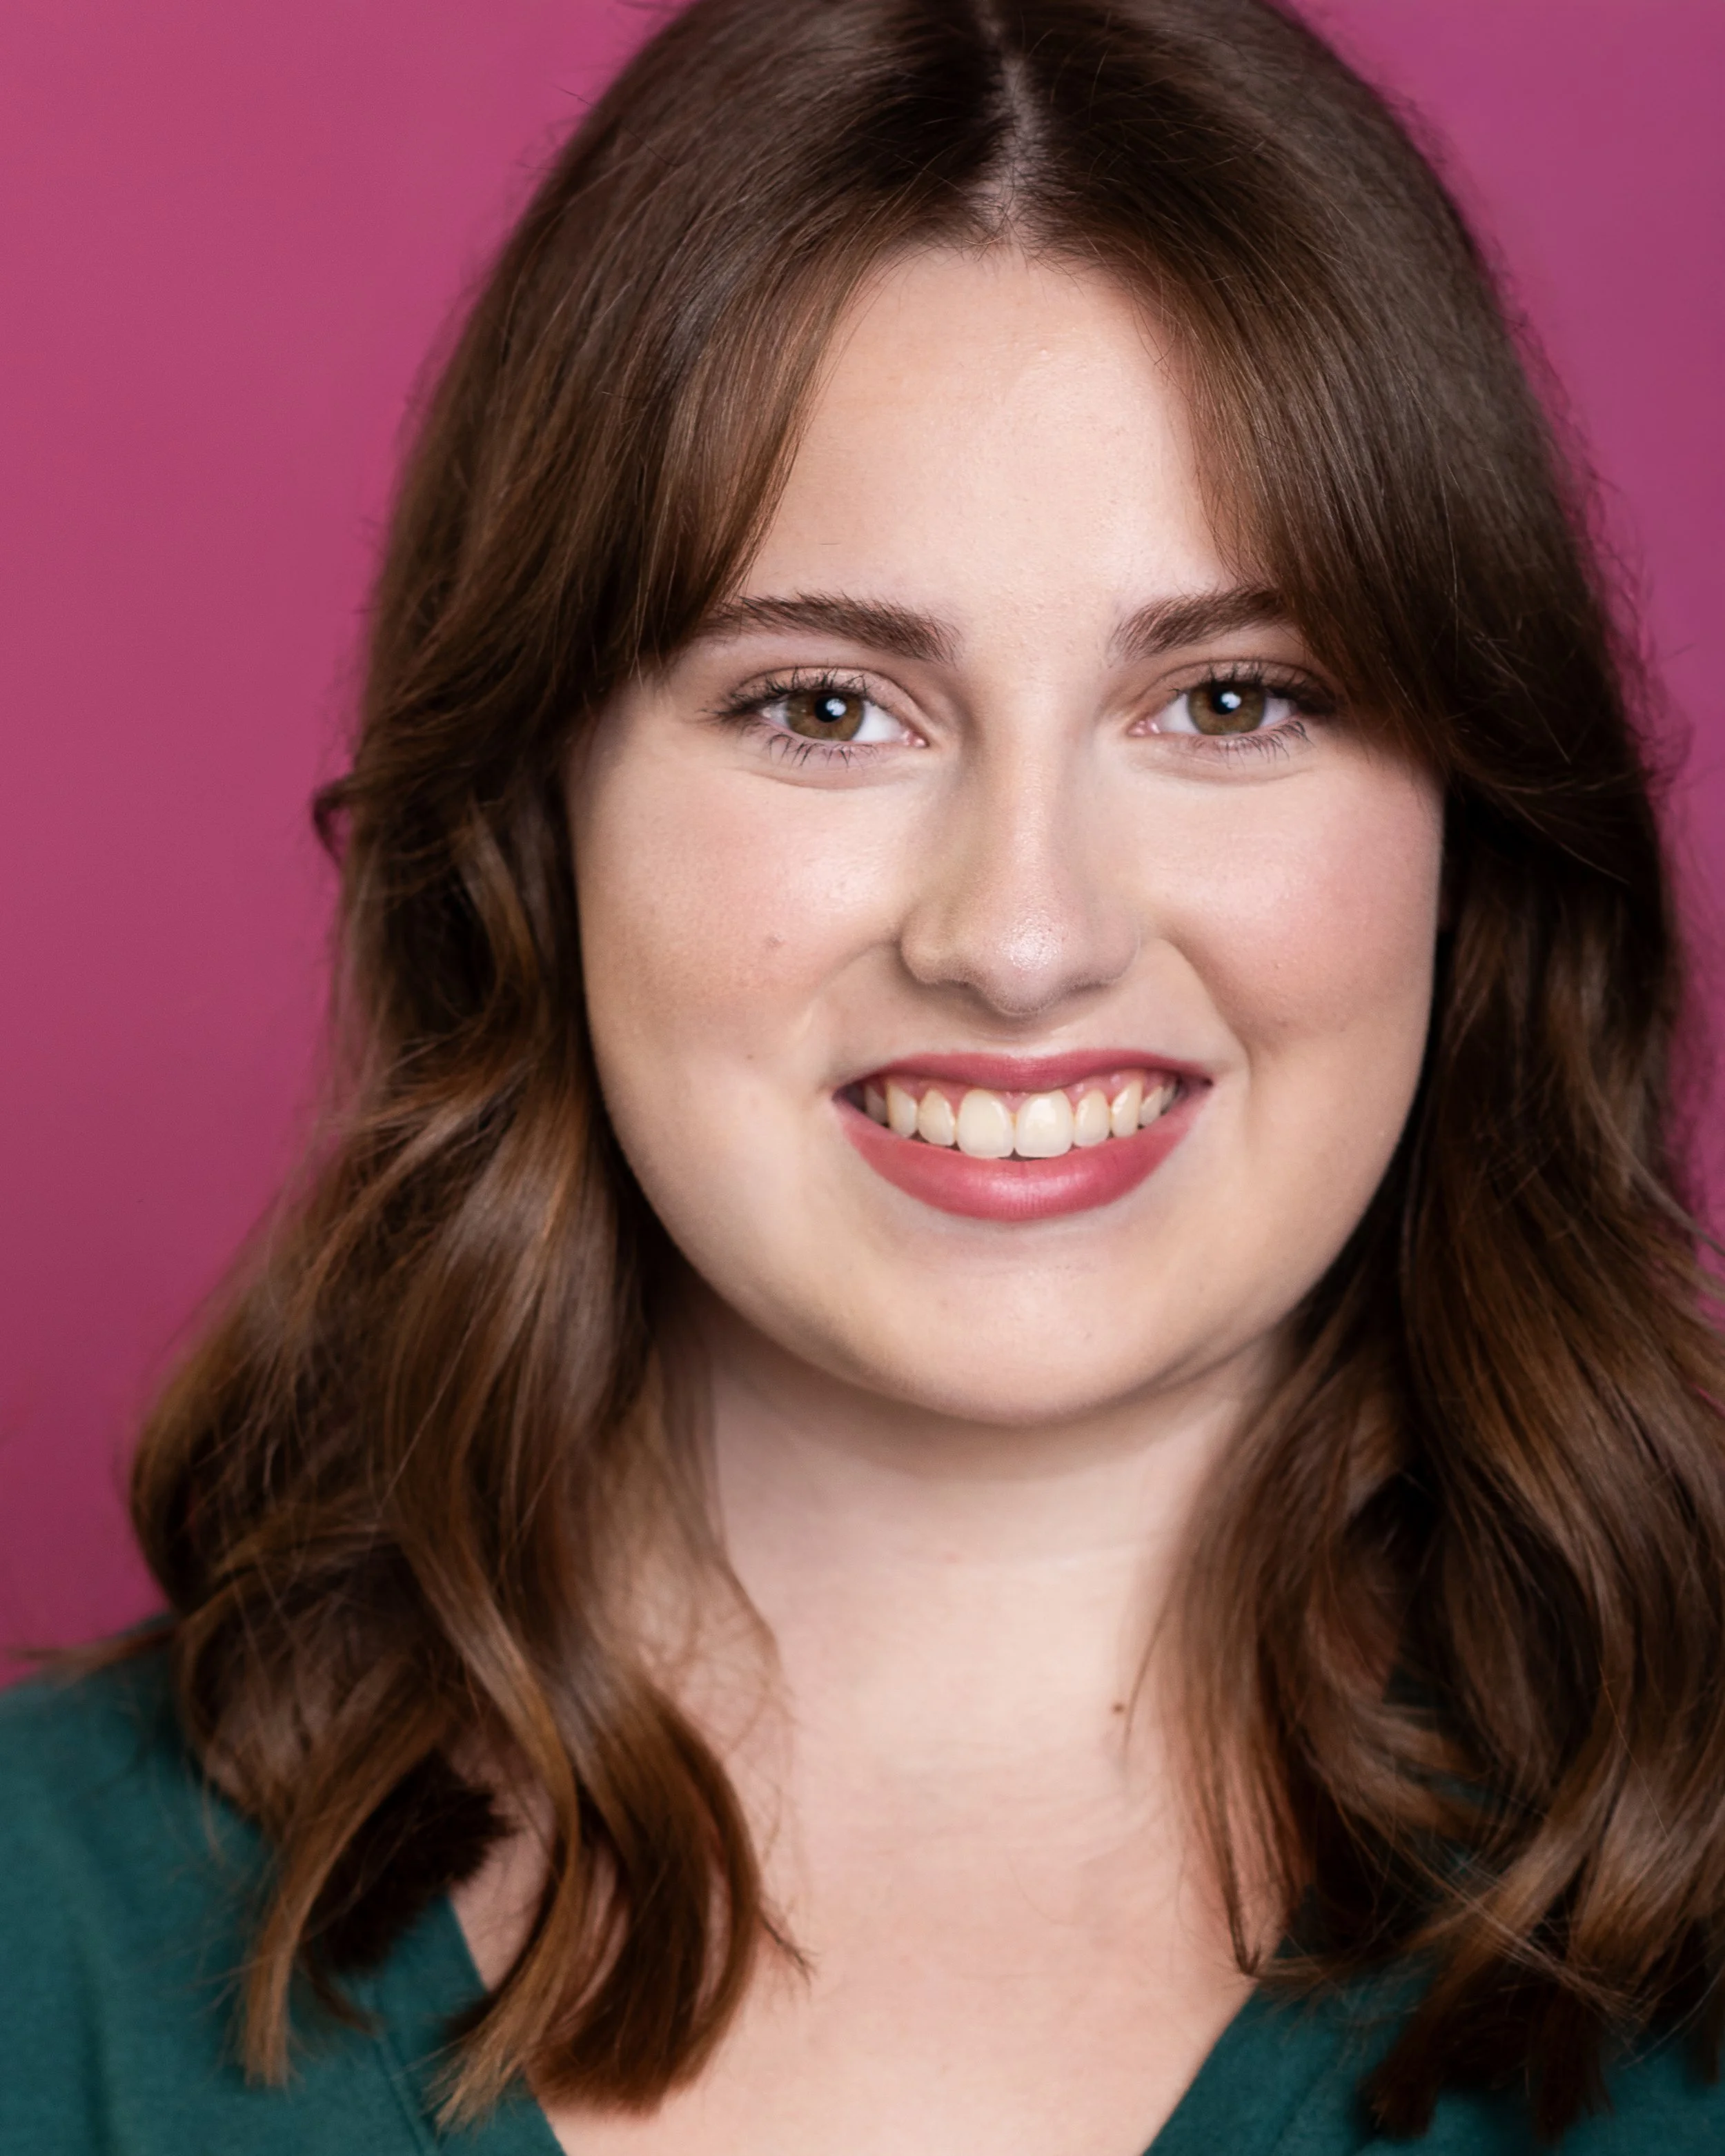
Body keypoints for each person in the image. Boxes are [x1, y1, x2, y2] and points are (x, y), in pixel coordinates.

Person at [5, 0, 1724, 2148]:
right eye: (825, 706)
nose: (1020, 935)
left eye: (1230, 699)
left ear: (1472, 817)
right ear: (537, 812)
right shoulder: (37, 1947)